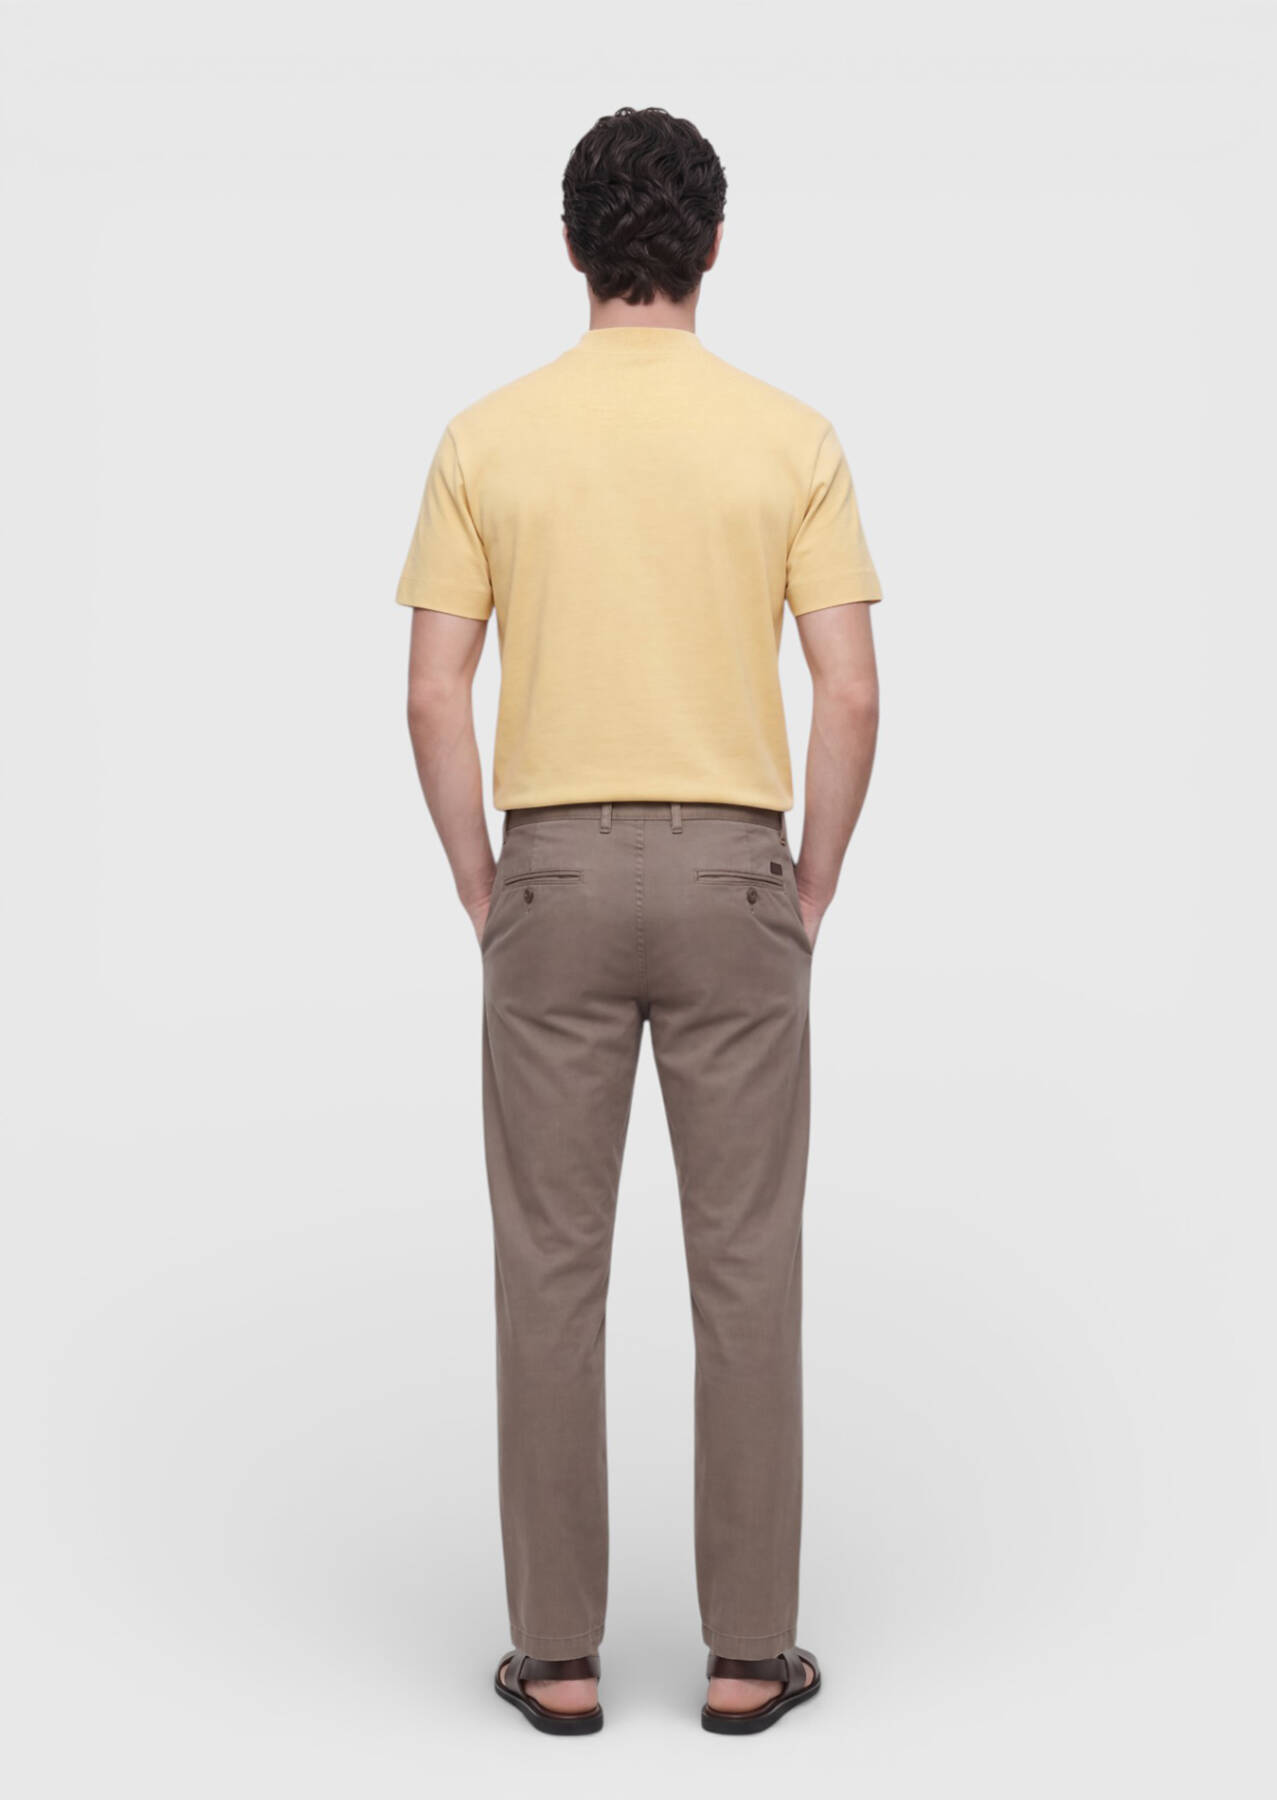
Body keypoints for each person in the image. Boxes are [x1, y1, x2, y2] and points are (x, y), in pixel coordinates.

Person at [396, 105, 881, 1736]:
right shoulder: (789, 437)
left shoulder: (487, 437)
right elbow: (848, 689)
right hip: (738, 872)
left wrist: (483, 882)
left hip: (551, 873)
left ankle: (556, 1659)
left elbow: (434, 692)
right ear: (713, 246)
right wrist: (809, 884)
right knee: (747, 1268)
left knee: (548, 1269)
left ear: (572, 247)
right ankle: (747, 1658)